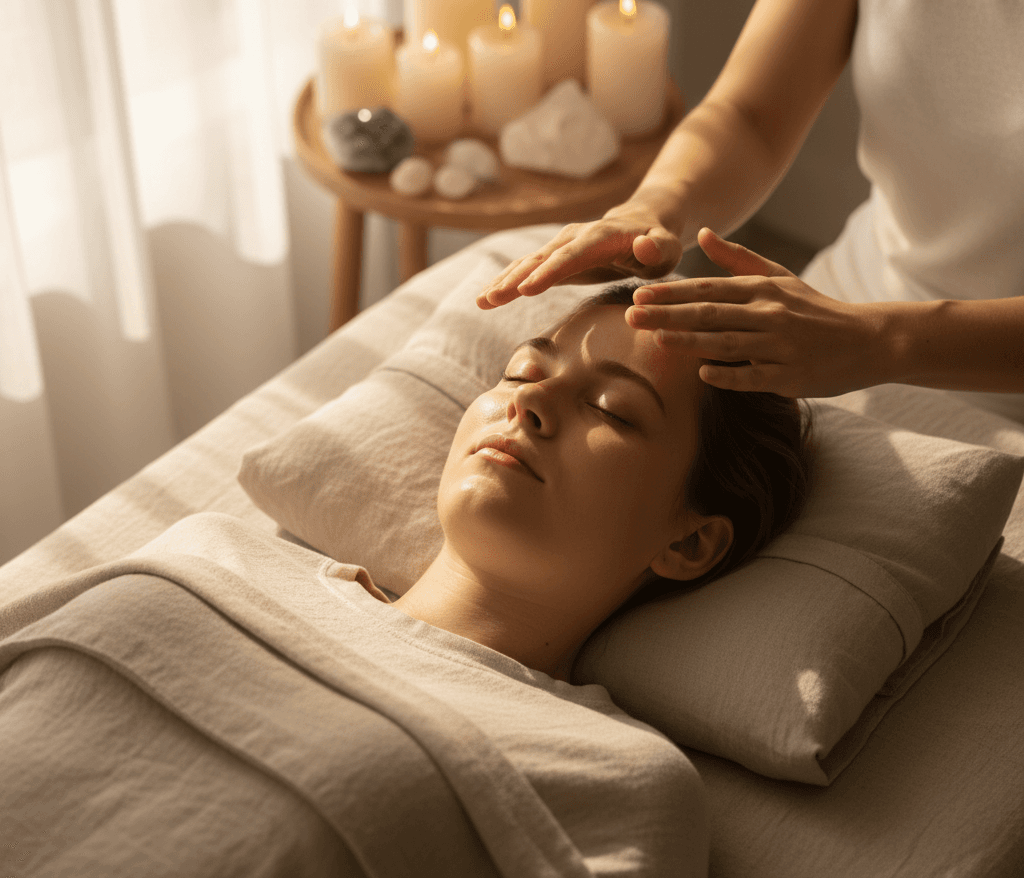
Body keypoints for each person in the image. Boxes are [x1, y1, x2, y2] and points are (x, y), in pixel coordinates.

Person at [0, 283, 810, 878]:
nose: (529, 404)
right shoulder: (217, 554)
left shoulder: (610, 775)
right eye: (524, 370)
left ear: (692, 541)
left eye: (612, 409)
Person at [476, 0, 1024, 424]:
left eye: (615, 411)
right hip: (844, 313)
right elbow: (752, 115)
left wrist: (880, 342)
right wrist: (655, 206)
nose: (528, 405)